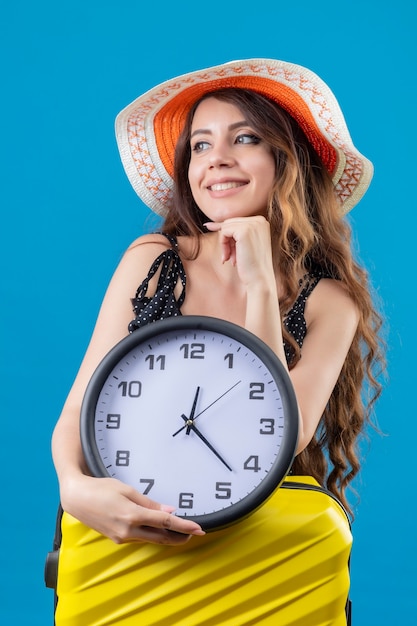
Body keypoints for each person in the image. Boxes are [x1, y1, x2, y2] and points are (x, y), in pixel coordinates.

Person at [50, 59, 384, 625]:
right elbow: (82, 405)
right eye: (200, 146)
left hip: (262, 547)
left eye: (245, 138)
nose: (216, 159)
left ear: (289, 160)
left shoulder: (332, 300)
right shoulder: (152, 261)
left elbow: (283, 428)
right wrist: (73, 487)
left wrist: (257, 281)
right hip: (134, 531)